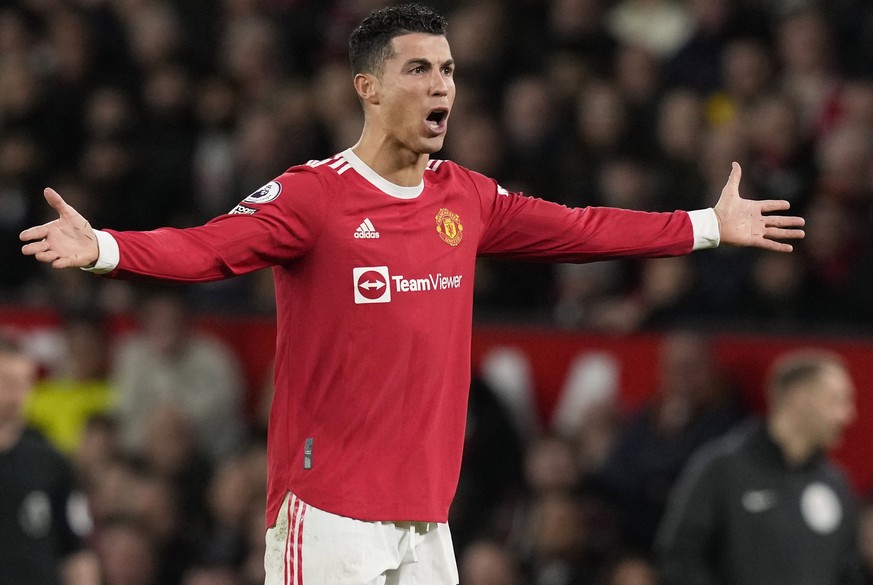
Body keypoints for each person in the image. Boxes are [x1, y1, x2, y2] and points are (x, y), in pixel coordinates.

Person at [19, 4, 804, 584]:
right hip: (327, 513)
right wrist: (105, 248)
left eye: (450, 70)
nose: (443, 86)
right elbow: (206, 248)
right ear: (367, 86)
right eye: (419, 69)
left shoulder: (465, 195)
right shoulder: (310, 196)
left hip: (426, 519)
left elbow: (581, 228)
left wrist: (704, 225)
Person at [656, 349, 863, 585]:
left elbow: (848, 572)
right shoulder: (721, 469)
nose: (847, 415)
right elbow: (680, 557)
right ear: (800, 398)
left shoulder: (836, 484)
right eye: (836, 400)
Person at [0, 332, 100, 585]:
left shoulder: (51, 462)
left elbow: (77, 551)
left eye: (25, 383)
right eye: (6, 382)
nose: (17, 396)